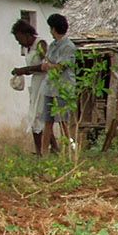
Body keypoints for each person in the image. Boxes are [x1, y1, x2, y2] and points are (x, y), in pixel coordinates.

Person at [10, 19, 50, 155]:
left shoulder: (40, 44)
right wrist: (21, 71)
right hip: (36, 83)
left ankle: (41, 152)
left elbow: (46, 66)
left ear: (26, 34)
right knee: (36, 116)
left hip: (45, 83)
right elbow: (33, 69)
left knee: (38, 116)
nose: (19, 42)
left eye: (19, 38)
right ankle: (48, 150)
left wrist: (25, 69)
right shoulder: (28, 48)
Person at [39, 13, 77, 153]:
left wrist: (49, 66)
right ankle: (44, 153)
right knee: (47, 120)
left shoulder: (68, 46)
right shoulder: (52, 45)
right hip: (50, 87)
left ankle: (71, 150)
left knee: (63, 121)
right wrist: (48, 65)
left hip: (63, 87)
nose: (50, 31)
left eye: (51, 28)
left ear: (54, 29)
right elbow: (48, 62)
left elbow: (61, 66)